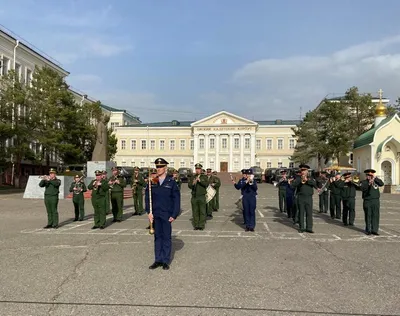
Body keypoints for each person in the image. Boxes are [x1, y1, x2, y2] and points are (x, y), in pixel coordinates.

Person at [145, 158, 180, 270]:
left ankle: (165, 260)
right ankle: (158, 259)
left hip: (166, 214)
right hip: (155, 214)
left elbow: (176, 199)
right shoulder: (153, 181)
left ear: (165, 168)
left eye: (161, 167)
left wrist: (174, 214)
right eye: (157, 167)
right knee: (157, 237)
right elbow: (147, 197)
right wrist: (148, 212)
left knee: (166, 237)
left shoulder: (171, 182)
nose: (158, 169)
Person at [291, 164, 318, 233]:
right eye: (302, 170)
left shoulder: (311, 178)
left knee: (309, 213)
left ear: (307, 171)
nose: (303, 172)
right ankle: (301, 227)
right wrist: (300, 181)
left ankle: (309, 228)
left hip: (309, 197)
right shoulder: (298, 178)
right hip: (301, 197)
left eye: (304, 170)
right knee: (301, 213)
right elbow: (293, 186)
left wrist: (307, 180)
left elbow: (315, 185)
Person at [360, 169, 384, 235]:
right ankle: (368, 230)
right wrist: (369, 183)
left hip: (375, 200)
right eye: (368, 175)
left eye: (371, 175)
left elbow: (381, 184)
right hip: (367, 200)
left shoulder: (376, 181)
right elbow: (362, 188)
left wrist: (375, 178)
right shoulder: (364, 182)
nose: (369, 176)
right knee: (368, 215)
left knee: (375, 215)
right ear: (366, 175)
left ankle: (375, 230)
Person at [188, 163, 208, 230]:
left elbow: (206, 184)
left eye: (199, 169)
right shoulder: (193, 177)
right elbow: (189, 186)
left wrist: (200, 181)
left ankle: (201, 225)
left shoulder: (204, 177)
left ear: (201, 170)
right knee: (195, 211)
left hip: (201, 196)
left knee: (202, 211)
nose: (197, 170)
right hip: (194, 196)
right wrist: (193, 183)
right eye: (196, 169)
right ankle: (196, 225)